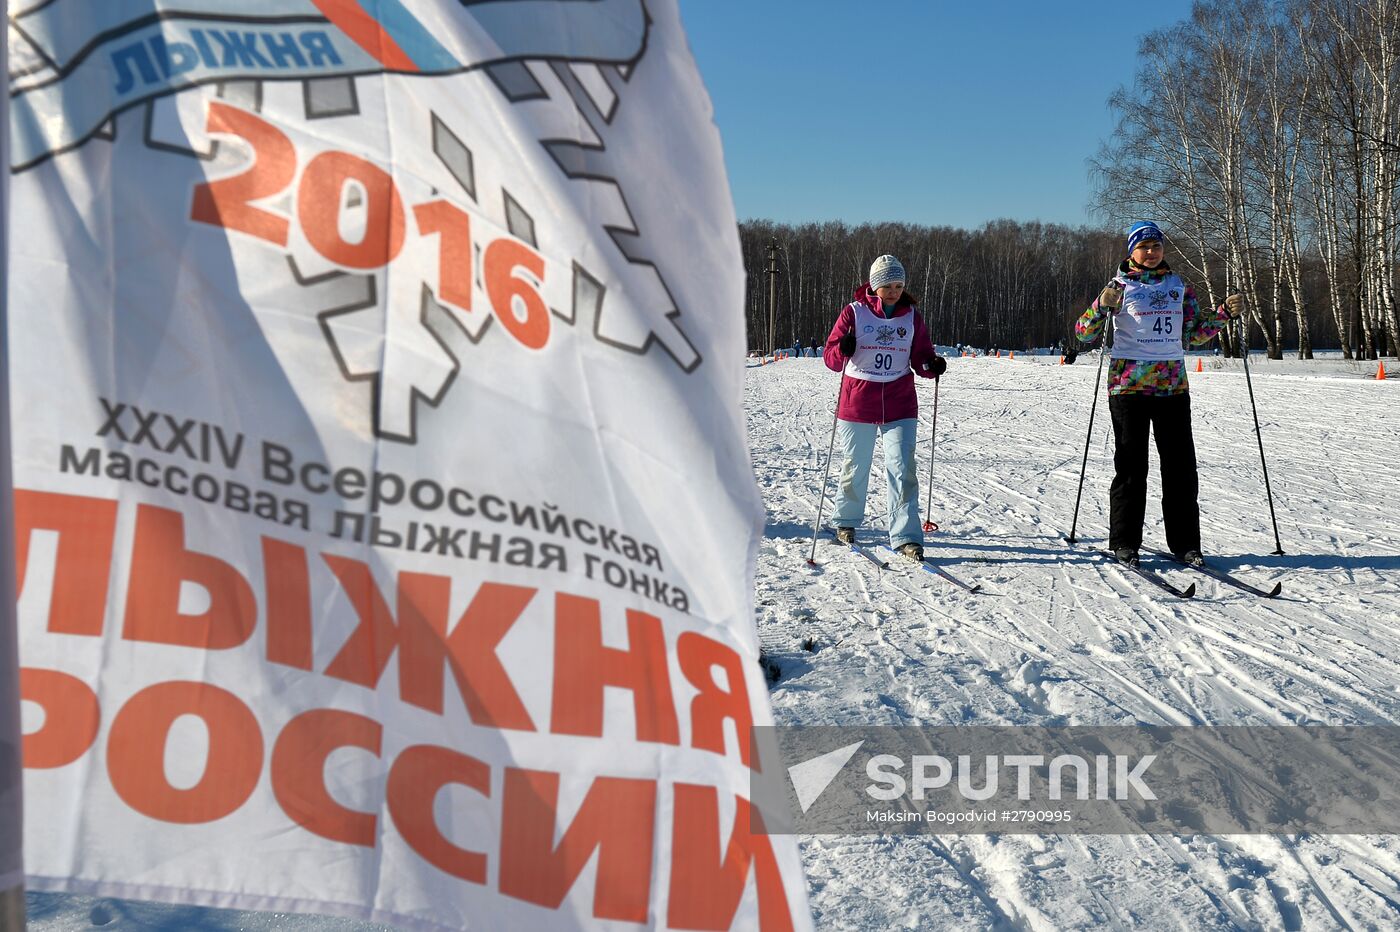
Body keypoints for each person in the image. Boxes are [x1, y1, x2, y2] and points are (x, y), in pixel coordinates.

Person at [1069, 221, 1244, 567]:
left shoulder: (1179, 286)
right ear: (1131, 251)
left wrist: (1223, 314)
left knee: (1180, 469)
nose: (1151, 253)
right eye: (1144, 247)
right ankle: (1124, 542)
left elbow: (1193, 335)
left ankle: (1186, 545)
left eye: (1156, 247)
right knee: (1132, 468)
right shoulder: (1119, 286)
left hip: (1172, 388)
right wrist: (1099, 306)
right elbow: (1084, 334)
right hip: (1129, 386)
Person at [824, 255, 945, 560]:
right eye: (888, 285)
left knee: (903, 468)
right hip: (858, 400)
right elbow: (830, 357)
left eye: (899, 285)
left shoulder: (911, 317)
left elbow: (921, 357)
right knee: (855, 464)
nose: (894, 291)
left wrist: (932, 365)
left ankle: (906, 536)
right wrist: (843, 348)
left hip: (899, 400)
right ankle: (846, 521)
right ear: (875, 285)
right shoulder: (854, 312)